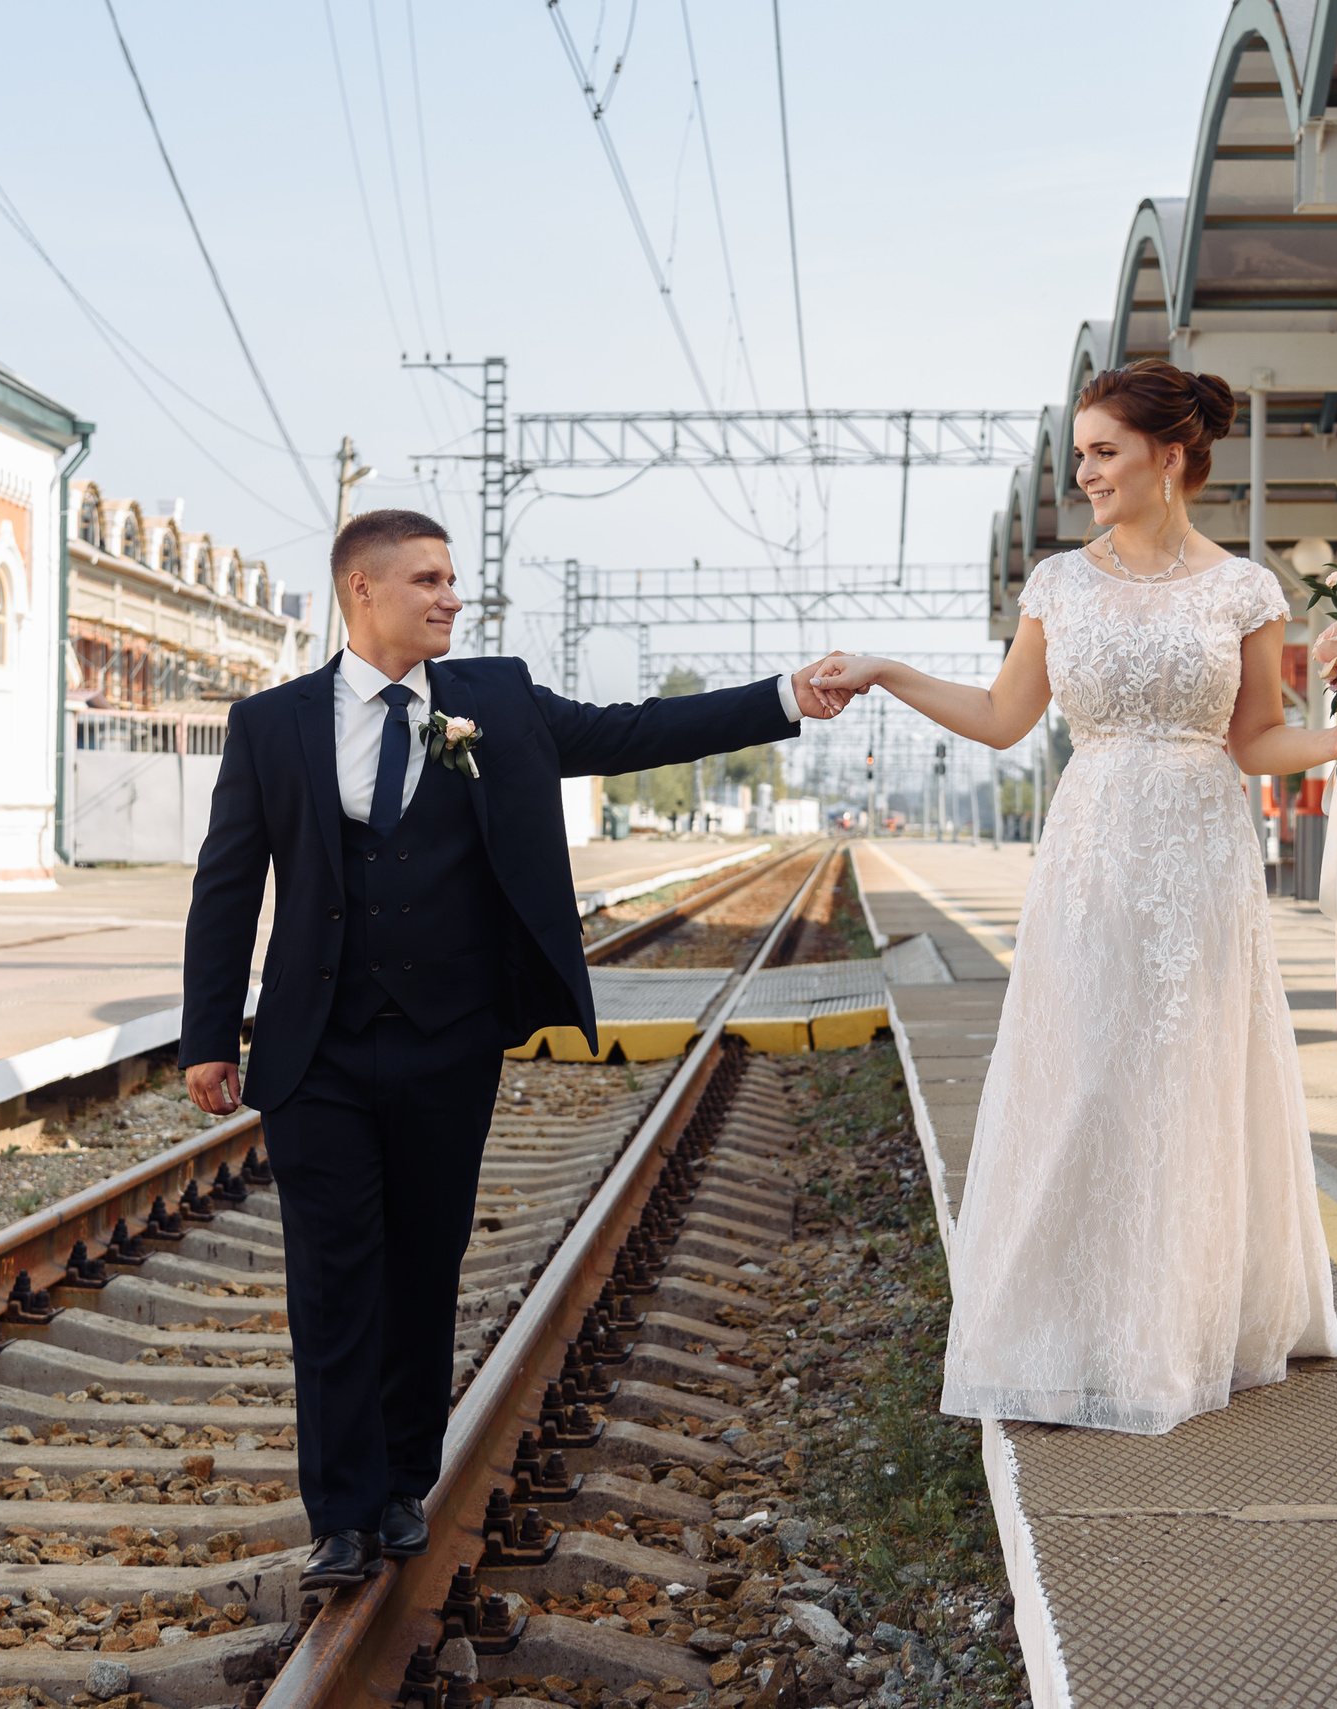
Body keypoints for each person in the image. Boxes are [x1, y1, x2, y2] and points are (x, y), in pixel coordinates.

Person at [180, 509, 849, 1587]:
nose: (452, 596)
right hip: (321, 1049)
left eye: (454, 579)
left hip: (449, 1041)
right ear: (362, 590)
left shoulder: (495, 699)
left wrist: (781, 696)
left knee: (424, 1262)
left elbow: (637, 731)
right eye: (428, 579)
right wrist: (208, 1032)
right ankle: (339, 1514)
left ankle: (403, 1481)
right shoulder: (272, 724)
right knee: (332, 1278)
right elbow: (226, 885)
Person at [809, 359, 1337, 1435]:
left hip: (1201, 851)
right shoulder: (1059, 584)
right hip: (1087, 849)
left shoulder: (1244, 589)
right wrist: (887, 669)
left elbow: (1256, 738)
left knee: (1180, 1077)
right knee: (1082, 1074)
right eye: (1078, 455)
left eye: (1104, 452)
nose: (1085, 475)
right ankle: (1062, 1322)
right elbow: (998, 716)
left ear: (1171, 457)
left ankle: (1174, 1325)